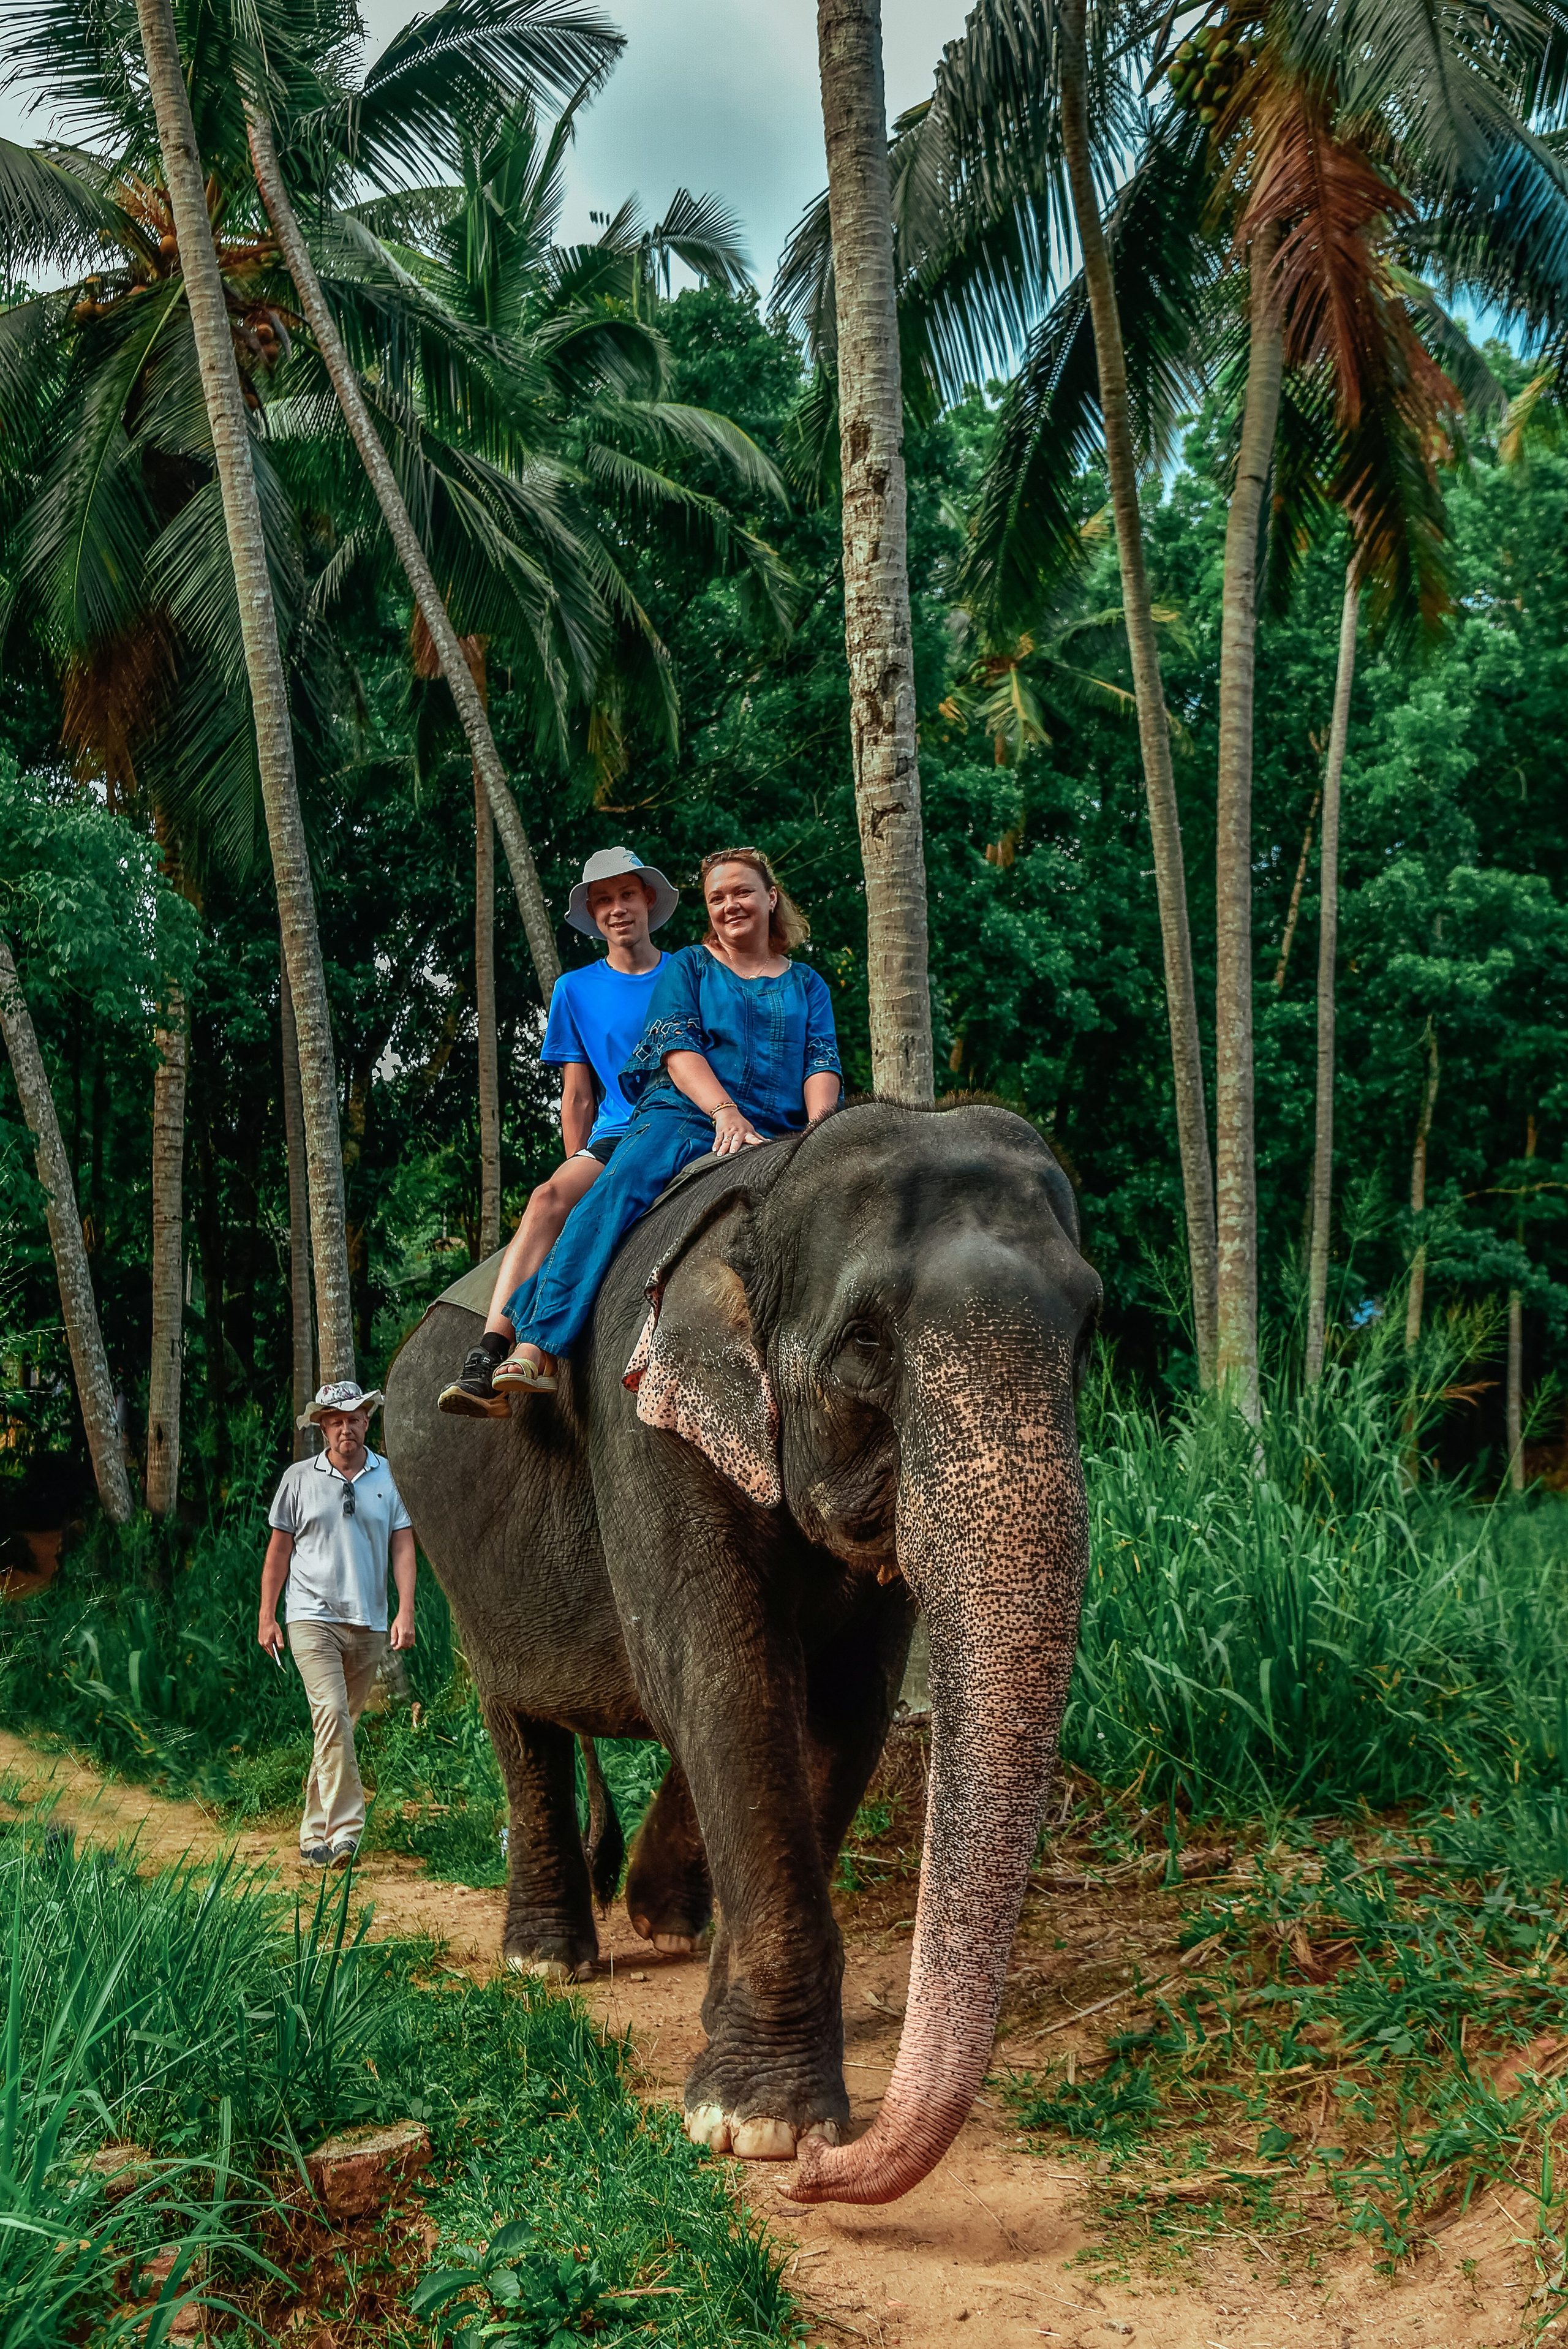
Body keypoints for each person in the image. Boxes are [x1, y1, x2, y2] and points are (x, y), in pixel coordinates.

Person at [489, 845, 842, 1398]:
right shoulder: (690, 966)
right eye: (717, 897)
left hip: (778, 1128)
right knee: (617, 1189)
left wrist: (821, 1133)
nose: (730, 905)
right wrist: (724, 1110)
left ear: (771, 898)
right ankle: (536, 1343)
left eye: (742, 892)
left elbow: (820, 1061)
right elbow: (677, 1048)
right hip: (685, 1115)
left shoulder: (807, 983)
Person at [438, 845, 679, 1417]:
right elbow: (578, 1094)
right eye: (604, 900)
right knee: (548, 1197)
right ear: (593, 914)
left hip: (679, 1123)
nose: (617, 908)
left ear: (648, 899)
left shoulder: (688, 972)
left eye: (627, 894)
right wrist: (578, 1166)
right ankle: (487, 1353)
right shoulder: (575, 989)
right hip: (616, 1132)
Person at [258, 1381, 416, 1869]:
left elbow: (403, 1546)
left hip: (369, 1622)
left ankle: (314, 1835)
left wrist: (406, 1610)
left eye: (353, 1419)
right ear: (323, 1428)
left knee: (337, 1727)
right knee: (331, 1714)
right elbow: (278, 1552)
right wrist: (267, 1615)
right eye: (335, 1421)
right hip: (311, 1617)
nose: (345, 1427)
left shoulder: (389, 1477)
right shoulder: (298, 1479)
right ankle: (347, 1832)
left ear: (367, 1421)